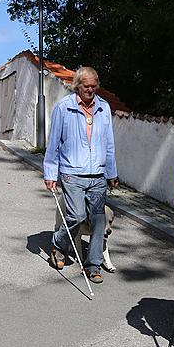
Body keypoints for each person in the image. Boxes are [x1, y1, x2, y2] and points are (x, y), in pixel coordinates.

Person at [43, 67, 119, 285]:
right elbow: (54, 143)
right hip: (71, 173)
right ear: (77, 86)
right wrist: (50, 172)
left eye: (94, 86)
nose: (91, 90)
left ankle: (93, 264)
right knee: (76, 216)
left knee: (97, 221)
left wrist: (112, 173)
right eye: (87, 86)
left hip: (97, 175)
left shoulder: (104, 108)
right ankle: (58, 244)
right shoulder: (64, 108)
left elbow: (109, 144)